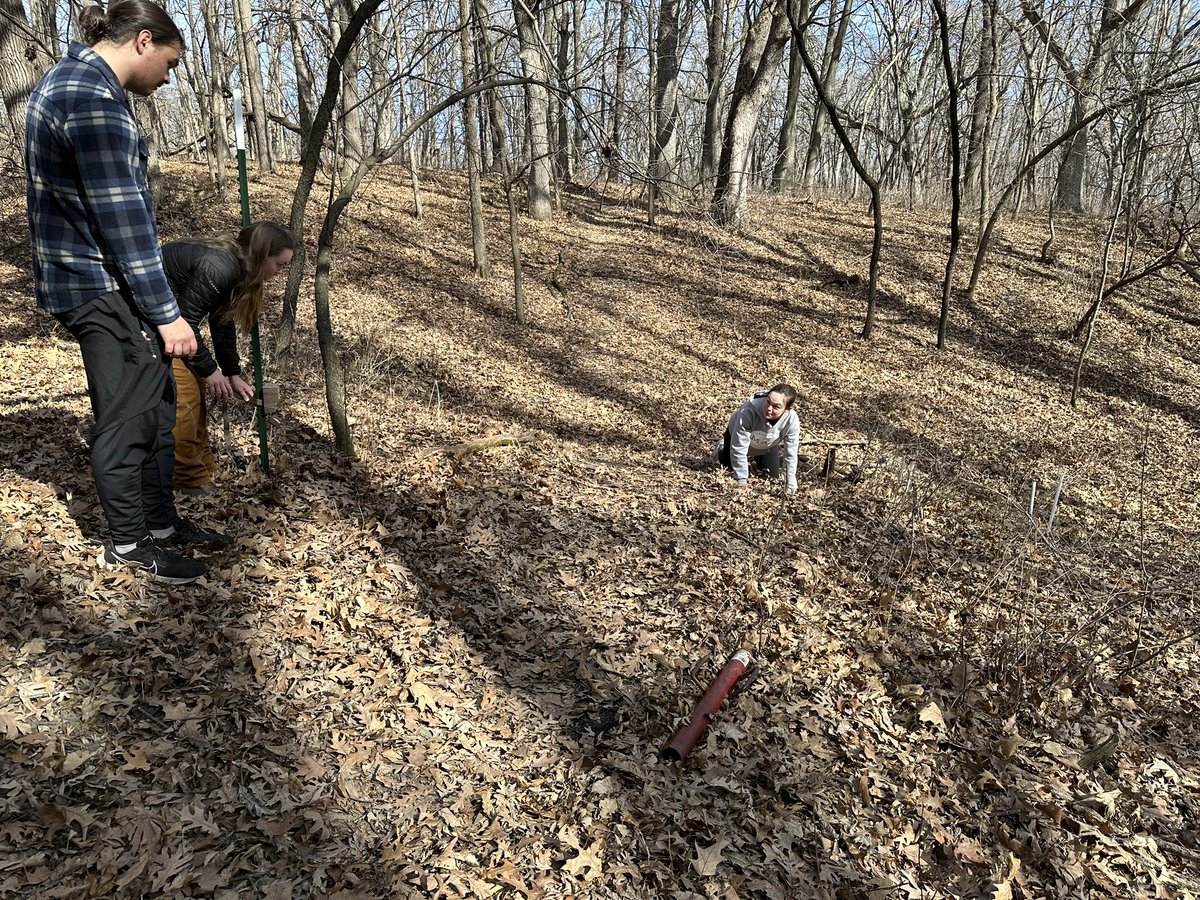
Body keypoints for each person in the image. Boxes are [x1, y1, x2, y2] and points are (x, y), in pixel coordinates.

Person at [26, 0, 227, 585]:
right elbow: (124, 223)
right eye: (170, 62)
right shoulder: (91, 99)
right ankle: (129, 544)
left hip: (102, 279)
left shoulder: (77, 85)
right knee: (129, 416)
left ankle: (161, 525)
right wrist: (167, 314)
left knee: (159, 404)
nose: (168, 78)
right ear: (143, 41)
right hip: (94, 282)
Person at [163, 222, 294, 492]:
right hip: (153, 323)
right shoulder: (221, 266)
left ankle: (203, 468)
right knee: (186, 396)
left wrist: (231, 373)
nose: (280, 273)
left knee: (196, 391)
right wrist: (211, 371)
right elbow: (186, 323)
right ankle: (187, 478)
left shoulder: (235, 269)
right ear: (261, 254)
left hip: (172, 325)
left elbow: (221, 323)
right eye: (279, 265)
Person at [713, 384, 801, 493]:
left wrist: (790, 482)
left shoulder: (792, 421)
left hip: (767, 443)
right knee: (730, 468)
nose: (769, 408)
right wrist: (741, 479)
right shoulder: (748, 411)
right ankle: (721, 449)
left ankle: (754, 459)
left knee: (772, 476)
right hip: (736, 439)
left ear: (786, 409)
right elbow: (739, 447)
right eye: (768, 401)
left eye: (776, 407)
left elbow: (791, 453)